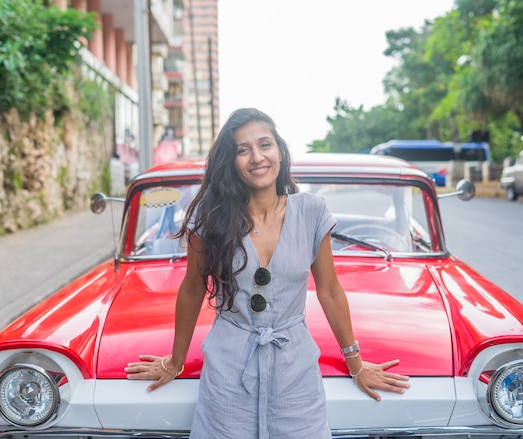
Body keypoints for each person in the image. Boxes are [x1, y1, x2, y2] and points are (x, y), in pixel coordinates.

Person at [124, 108, 410, 437]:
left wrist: (355, 364)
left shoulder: (311, 211)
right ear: (230, 161)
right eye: (243, 150)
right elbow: (192, 288)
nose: (257, 157)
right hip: (227, 372)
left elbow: (329, 291)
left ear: (280, 151)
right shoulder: (211, 215)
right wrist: (174, 361)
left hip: (296, 373)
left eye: (265, 145)